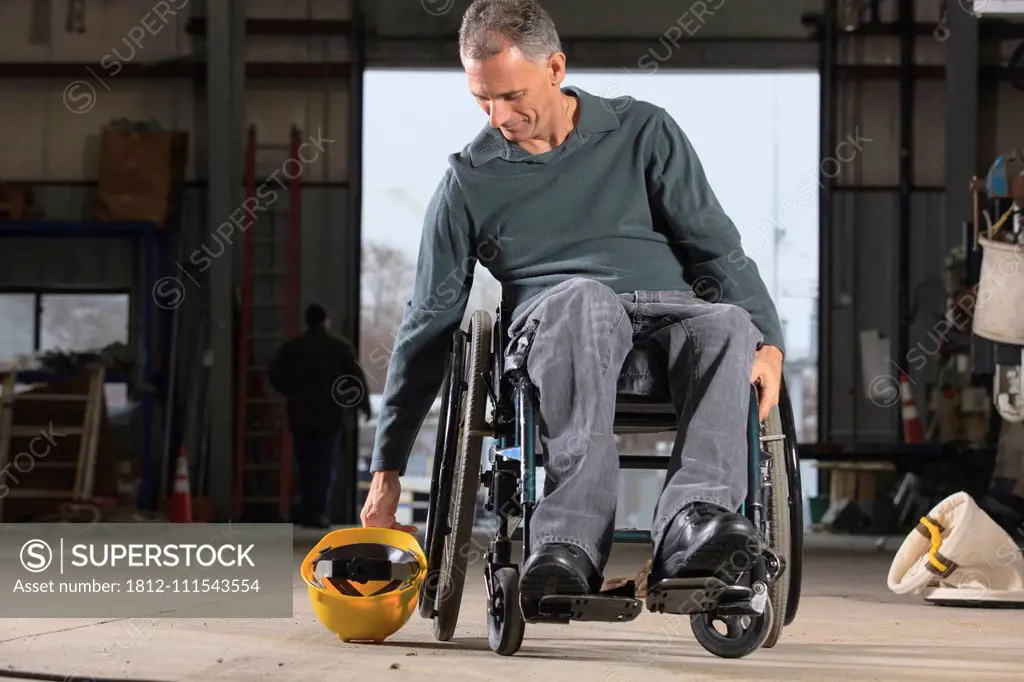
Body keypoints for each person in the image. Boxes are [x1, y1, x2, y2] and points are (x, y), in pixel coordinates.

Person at [362, 0, 785, 601]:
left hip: (668, 322)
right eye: (482, 98)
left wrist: (768, 341)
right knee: (586, 300)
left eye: (511, 96)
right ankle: (568, 544)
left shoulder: (643, 131)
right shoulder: (468, 181)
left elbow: (717, 250)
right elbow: (427, 323)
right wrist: (387, 473)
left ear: (556, 69)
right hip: (561, 326)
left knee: (725, 323)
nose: (497, 115)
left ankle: (694, 524)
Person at [269, 303, 371, 528]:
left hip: (300, 416)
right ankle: (319, 513)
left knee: (305, 465)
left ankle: (307, 512)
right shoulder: (339, 346)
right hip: (329, 416)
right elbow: (355, 379)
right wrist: (363, 405)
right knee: (324, 465)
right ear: (326, 321)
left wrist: (291, 391)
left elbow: (275, 375)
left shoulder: (292, 348)